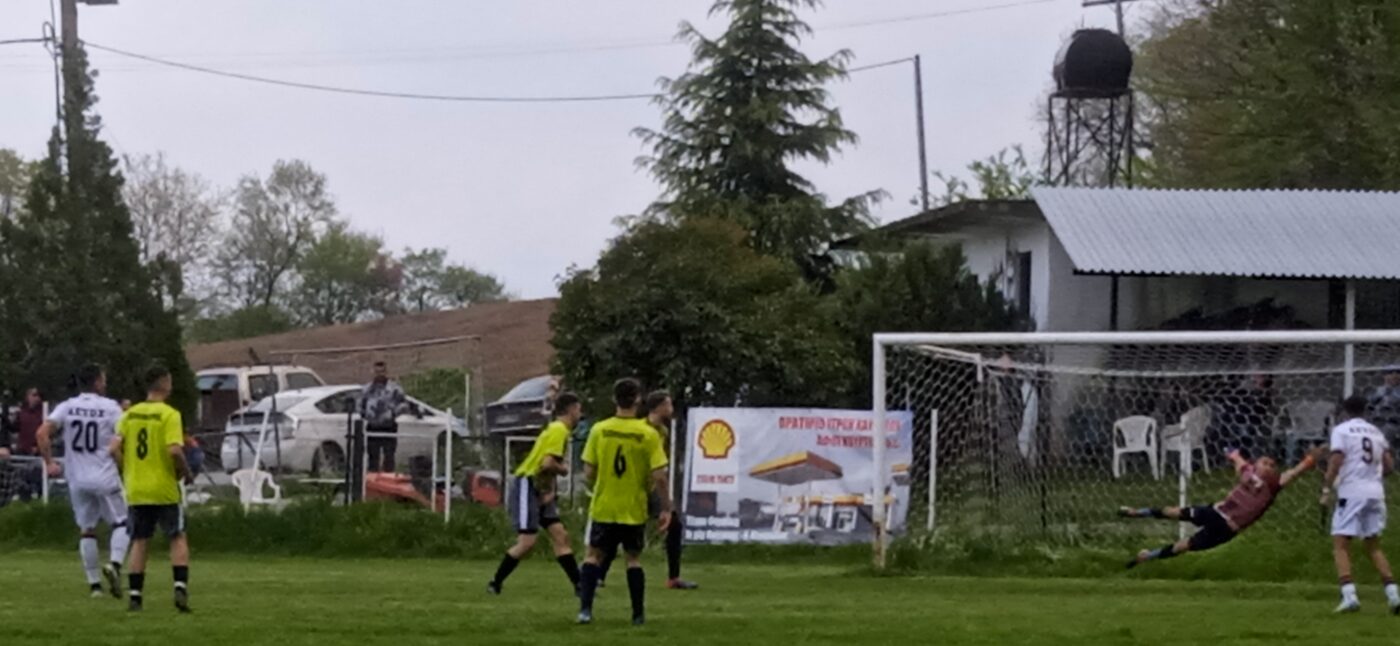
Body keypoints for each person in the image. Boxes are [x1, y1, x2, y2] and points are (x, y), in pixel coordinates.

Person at [1118, 446, 1321, 568]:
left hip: (1226, 529)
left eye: (1272, 465)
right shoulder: (1248, 471)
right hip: (1216, 512)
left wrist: (1311, 459)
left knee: (1184, 545)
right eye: (1264, 462)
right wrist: (1231, 453)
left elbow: (1294, 472)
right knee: (1175, 512)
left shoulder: (1274, 485)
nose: (1268, 466)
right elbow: (1237, 459)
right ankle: (1136, 512)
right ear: (1256, 465)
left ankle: (1147, 556)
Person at [576, 378, 671, 626]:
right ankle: (637, 615)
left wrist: (603, 481)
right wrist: (665, 507)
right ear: (638, 400)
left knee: (593, 556)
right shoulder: (648, 434)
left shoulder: (599, 429)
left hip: (604, 505)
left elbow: (588, 471)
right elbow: (659, 476)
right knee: (633, 559)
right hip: (634, 507)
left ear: (614, 399)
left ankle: (585, 610)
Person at [35, 364, 130, 598]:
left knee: (87, 530)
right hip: (104, 475)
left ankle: (95, 586)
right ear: (97, 382)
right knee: (124, 523)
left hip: (77, 477)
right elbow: (122, 437)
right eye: (103, 379)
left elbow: (41, 433)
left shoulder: (67, 406)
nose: (105, 383)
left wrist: (49, 462)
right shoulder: (110, 407)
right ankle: (115, 564)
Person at [110, 363, 192, 613]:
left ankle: (135, 596)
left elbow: (113, 448)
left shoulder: (129, 414)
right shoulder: (169, 414)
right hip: (163, 486)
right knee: (176, 536)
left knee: (140, 540)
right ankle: (179, 586)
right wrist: (185, 471)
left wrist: (126, 469)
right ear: (165, 383)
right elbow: (174, 450)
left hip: (137, 487)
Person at [487, 392, 584, 596]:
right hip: (528, 484)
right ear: (571, 409)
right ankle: (495, 582)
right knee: (527, 542)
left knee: (560, 536)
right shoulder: (559, 429)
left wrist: (550, 490)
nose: (580, 414)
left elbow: (546, 466)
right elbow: (547, 463)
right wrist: (564, 470)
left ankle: (580, 586)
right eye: (578, 409)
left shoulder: (557, 429)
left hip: (540, 487)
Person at [599, 390, 697, 591]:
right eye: (668, 404)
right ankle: (599, 574)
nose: (671, 408)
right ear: (659, 407)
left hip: (652, 487)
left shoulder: (663, 432)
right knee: (619, 530)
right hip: (635, 487)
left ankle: (674, 577)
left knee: (675, 524)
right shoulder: (641, 429)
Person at [1322, 395, 1399, 614]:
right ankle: (1393, 595)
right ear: (1365, 410)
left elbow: (1337, 459)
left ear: (1345, 411)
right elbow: (1389, 465)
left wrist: (1327, 486)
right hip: (1375, 492)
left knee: (1340, 543)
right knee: (1373, 544)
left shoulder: (1341, 430)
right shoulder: (1376, 432)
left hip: (1352, 492)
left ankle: (1349, 596)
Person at [359, 361, 407, 473]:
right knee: (372, 457)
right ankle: (372, 479)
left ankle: (388, 479)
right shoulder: (367, 389)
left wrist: (393, 413)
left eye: (382, 372)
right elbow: (360, 405)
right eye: (377, 372)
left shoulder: (395, 389)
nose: (379, 374)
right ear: (373, 372)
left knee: (389, 457)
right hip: (372, 427)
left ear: (386, 372)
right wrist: (365, 415)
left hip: (389, 427)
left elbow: (403, 404)